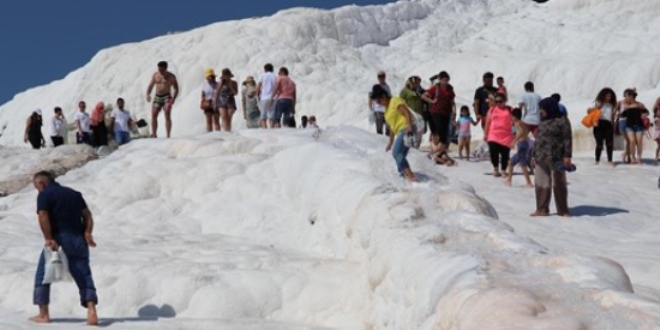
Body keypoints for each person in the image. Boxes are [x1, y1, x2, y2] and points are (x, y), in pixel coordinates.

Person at [29, 171, 98, 325]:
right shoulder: (74, 194)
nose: (38, 190)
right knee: (83, 274)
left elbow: (43, 215)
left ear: (41, 184)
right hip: (79, 239)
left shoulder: (45, 194)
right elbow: (87, 215)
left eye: (37, 187)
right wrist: (87, 232)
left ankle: (43, 315)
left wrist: (48, 238)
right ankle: (92, 309)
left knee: (43, 275)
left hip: (60, 238)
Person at [531, 97, 573, 217]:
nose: (541, 111)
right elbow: (538, 139)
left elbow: (567, 138)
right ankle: (542, 209)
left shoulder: (562, 120)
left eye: (542, 108)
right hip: (541, 156)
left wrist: (567, 156)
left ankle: (563, 210)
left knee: (558, 183)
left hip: (556, 156)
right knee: (541, 183)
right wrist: (534, 155)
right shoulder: (542, 120)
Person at [371, 85, 416, 181]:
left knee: (396, 153)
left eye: (379, 101)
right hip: (401, 130)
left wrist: (409, 125)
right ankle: (403, 175)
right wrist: (390, 142)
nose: (379, 104)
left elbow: (406, 112)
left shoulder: (394, 101)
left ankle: (411, 177)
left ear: (383, 96)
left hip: (406, 128)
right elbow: (392, 127)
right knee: (399, 155)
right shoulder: (387, 111)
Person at [422, 71, 456, 152]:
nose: (445, 82)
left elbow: (452, 101)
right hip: (436, 112)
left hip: (446, 113)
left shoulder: (450, 89)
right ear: (440, 80)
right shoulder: (435, 88)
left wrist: (454, 112)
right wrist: (432, 101)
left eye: (447, 80)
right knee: (439, 130)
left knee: (445, 132)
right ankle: (437, 149)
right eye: (444, 80)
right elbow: (423, 96)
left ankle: (441, 150)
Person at [146, 61, 179, 138]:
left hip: (167, 97)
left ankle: (168, 135)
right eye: (159, 69)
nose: (161, 71)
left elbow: (176, 88)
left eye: (162, 70)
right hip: (158, 97)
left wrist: (173, 98)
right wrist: (148, 94)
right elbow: (150, 85)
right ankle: (154, 134)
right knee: (154, 114)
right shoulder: (156, 75)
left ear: (166, 68)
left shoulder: (171, 76)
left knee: (167, 114)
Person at [484, 93, 514, 177]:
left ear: (504, 101)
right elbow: (488, 122)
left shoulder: (509, 109)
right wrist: (485, 134)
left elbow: (515, 121)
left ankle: (503, 170)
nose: (498, 103)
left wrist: (516, 133)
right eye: (496, 101)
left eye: (500, 101)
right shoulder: (492, 110)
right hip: (493, 134)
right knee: (493, 151)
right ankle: (495, 168)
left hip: (506, 135)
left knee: (505, 154)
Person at [504, 108, 534, 188]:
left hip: (522, 144)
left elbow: (521, 132)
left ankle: (529, 183)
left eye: (512, 116)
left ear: (515, 116)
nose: (511, 118)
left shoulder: (517, 123)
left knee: (523, 164)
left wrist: (514, 141)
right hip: (524, 144)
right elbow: (526, 131)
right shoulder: (522, 123)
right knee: (511, 162)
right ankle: (509, 180)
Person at [591, 88, 617, 165]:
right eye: (607, 96)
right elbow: (593, 112)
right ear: (603, 96)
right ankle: (597, 160)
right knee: (599, 144)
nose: (608, 98)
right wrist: (599, 106)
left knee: (609, 143)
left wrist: (614, 127)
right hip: (599, 124)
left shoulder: (612, 105)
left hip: (608, 124)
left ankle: (610, 160)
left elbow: (612, 117)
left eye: (610, 96)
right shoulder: (598, 102)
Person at [620, 89, 646, 164]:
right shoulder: (627, 106)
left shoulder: (640, 104)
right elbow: (622, 115)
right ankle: (633, 158)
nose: (627, 97)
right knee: (632, 141)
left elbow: (647, 112)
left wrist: (644, 115)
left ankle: (639, 158)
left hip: (639, 125)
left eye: (629, 96)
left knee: (639, 142)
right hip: (629, 126)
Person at [368, 71, 392, 135]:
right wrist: (371, 109)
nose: (381, 78)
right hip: (378, 111)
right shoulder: (375, 86)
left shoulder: (387, 87)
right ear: (378, 78)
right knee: (379, 130)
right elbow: (370, 98)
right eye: (380, 76)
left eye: (383, 76)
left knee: (388, 129)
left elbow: (389, 98)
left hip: (386, 110)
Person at [258, 63, 278, 129]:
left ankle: (264, 128)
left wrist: (258, 95)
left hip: (264, 97)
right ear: (272, 69)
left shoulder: (262, 75)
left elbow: (259, 85)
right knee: (272, 113)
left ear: (265, 69)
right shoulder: (275, 76)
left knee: (263, 113)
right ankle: (271, 128)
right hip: (274, 97)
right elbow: (277, 86)